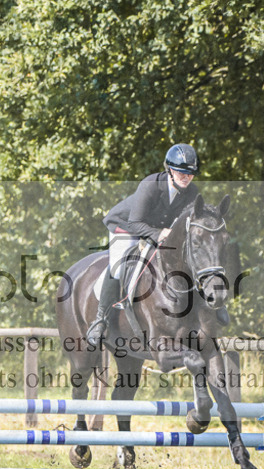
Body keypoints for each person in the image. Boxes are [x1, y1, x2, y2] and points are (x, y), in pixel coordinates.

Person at [86, 143, 201, 347]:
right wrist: (158, 234)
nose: (186, 177)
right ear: (170, 170)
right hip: (127, 226)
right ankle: (100, 319)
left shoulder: (192, 193)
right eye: (181, 172)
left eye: (190, 173)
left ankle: (209, 306)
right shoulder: (151, 185)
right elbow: (135, 222)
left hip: (160, 232)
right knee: (119, 266)